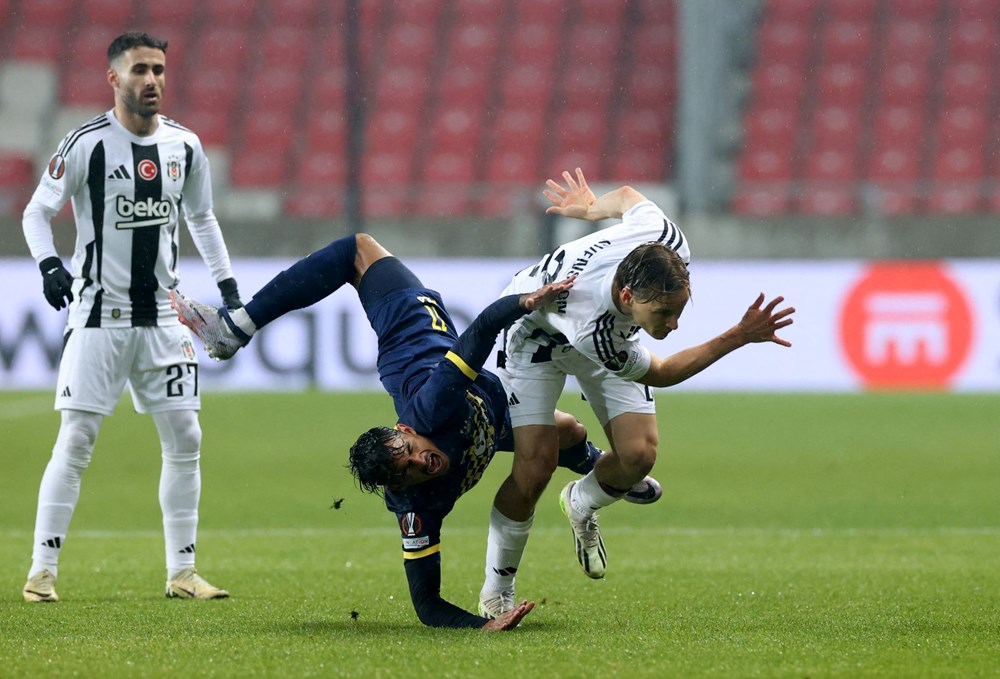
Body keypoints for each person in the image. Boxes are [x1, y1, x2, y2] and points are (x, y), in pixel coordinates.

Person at [170, 233, 659, 629]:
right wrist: (480, 627)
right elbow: (427, 605)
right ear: (402, 487)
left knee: (355, 250)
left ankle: (236, 327)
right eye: (410, 470)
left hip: (417, 337)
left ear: (406, 430)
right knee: (562, 434)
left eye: (409, 449)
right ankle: (601, 472)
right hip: (485, 417)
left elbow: (483, 327)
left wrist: (526, 301)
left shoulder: (434, 407)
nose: (421, 460)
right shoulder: (416, 507)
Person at [480, 168, 795, 610]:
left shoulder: (664, 239)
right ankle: (497, 591)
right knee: (534, 467)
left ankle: (582, 502)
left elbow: (628, 196)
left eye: (680, 308)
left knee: (638, 455)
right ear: (628, 297)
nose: (674, 323)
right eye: (664, 313)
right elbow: (662, 372)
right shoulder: (595, 325)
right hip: (535, 338)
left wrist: (592, 208)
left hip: (602, 329)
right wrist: (737, 336)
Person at [20, 32, 241, 603]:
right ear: (114, 78)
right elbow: (36, 212)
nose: (152, 80)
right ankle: (42, 572)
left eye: (159, 69)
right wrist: (48, 265)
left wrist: (229, 288)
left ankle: (182, 572)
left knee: (186, 435)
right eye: (140, 69)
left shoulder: (186, 147)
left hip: (164, 318)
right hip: (98, 316)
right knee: (77, 438)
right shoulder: (86, 144)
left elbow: (204, 219)